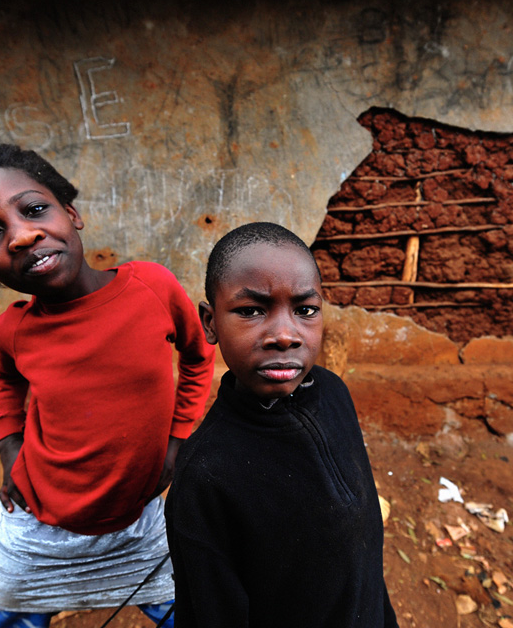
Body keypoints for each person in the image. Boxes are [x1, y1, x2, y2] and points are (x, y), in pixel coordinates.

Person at [0, 141, 214, 627]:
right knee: (9, 612)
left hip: (137, 517)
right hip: (39, 523)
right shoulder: (12, 331)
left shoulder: (152, 288)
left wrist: (179, 439)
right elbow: (2, 383)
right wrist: (9, 449)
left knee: (190, 607)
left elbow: (198, 354)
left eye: (34, 209)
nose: (21, 236)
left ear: (71, 214)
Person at [164, 222, 399, 627]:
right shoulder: (205, 476)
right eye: (251, 311)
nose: (286, 335)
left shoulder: (334, 394)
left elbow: (363, 560)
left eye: (305, 310)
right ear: (210, 322)